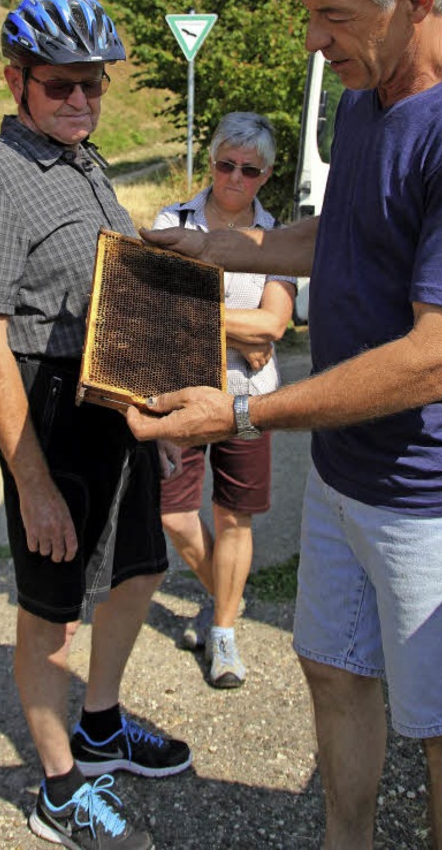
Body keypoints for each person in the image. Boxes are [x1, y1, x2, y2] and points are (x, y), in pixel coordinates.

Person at [126, 0, 442, 848]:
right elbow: (334, 234)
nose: (310, 40)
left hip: (429, 498)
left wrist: (239, 413)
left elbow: (436, 359)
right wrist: (217, 247)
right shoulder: (361, 107)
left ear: (417, 1)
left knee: (441, 735)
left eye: (329, 16)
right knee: (331, 672)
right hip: (346, 479)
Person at [0, 0, 191, 850]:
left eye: (93, 85)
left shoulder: (86, 158)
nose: (81, 101)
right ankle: (57, 789)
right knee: (51, 614)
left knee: (139, 571)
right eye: (60, 86)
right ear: (18, 82)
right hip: (48, 411)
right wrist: (34, 482)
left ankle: (99, 725)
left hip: (114, 402)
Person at [153, 112, 295, 689]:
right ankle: (224, 603)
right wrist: (239, 331)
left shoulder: (278, 237)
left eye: (249, 169)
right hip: (183, 395)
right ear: (210, 161)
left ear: (266, 174)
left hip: (248, 402)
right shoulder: (173, 222)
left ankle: (225, 632)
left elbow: (274, 329)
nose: (235, 177)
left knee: (234, 516)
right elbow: (155, 310)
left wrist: (203, 319)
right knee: (174, 514)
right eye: (225, 164)